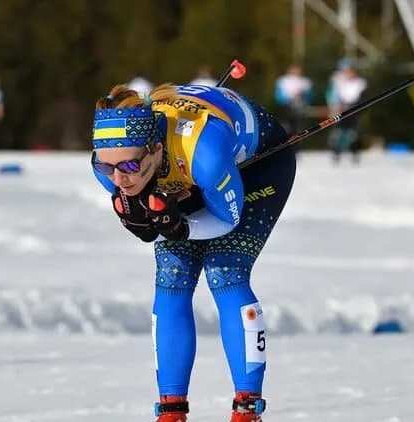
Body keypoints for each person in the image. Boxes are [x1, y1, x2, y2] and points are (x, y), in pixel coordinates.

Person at [91, 83, 297, 421]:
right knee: (172, 277)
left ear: (155, 149)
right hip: (188, 173)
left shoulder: (205, 153)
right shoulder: (114, 165)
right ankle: (171, 410)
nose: (118, 179)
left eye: (128, 168)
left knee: (225, 272)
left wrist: (181, 228)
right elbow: (137, 197)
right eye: (106, 168)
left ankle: (247, 407)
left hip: (259, 166)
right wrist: (152, 225)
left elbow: (227, 219)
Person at [326, 59, 367, 163]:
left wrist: (355, 106)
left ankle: (355, 153)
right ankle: (336, 153)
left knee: (353, 134)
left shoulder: (360, 83)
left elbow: (362, 97)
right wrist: (335, 106)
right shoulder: (338, 82)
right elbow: (333, 96)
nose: (348, 73)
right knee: (338, 133)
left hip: (354, 111)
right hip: (341, 110)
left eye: (350, 71)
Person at [273, 64, 312, 134]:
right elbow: (278, 96)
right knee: (286, 126)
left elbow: (310, 96)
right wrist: (287, 99)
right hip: (286, 107)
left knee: (299, 127)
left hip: (300, 107)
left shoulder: (306, 82)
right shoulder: (283, 81)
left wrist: (303, 96)